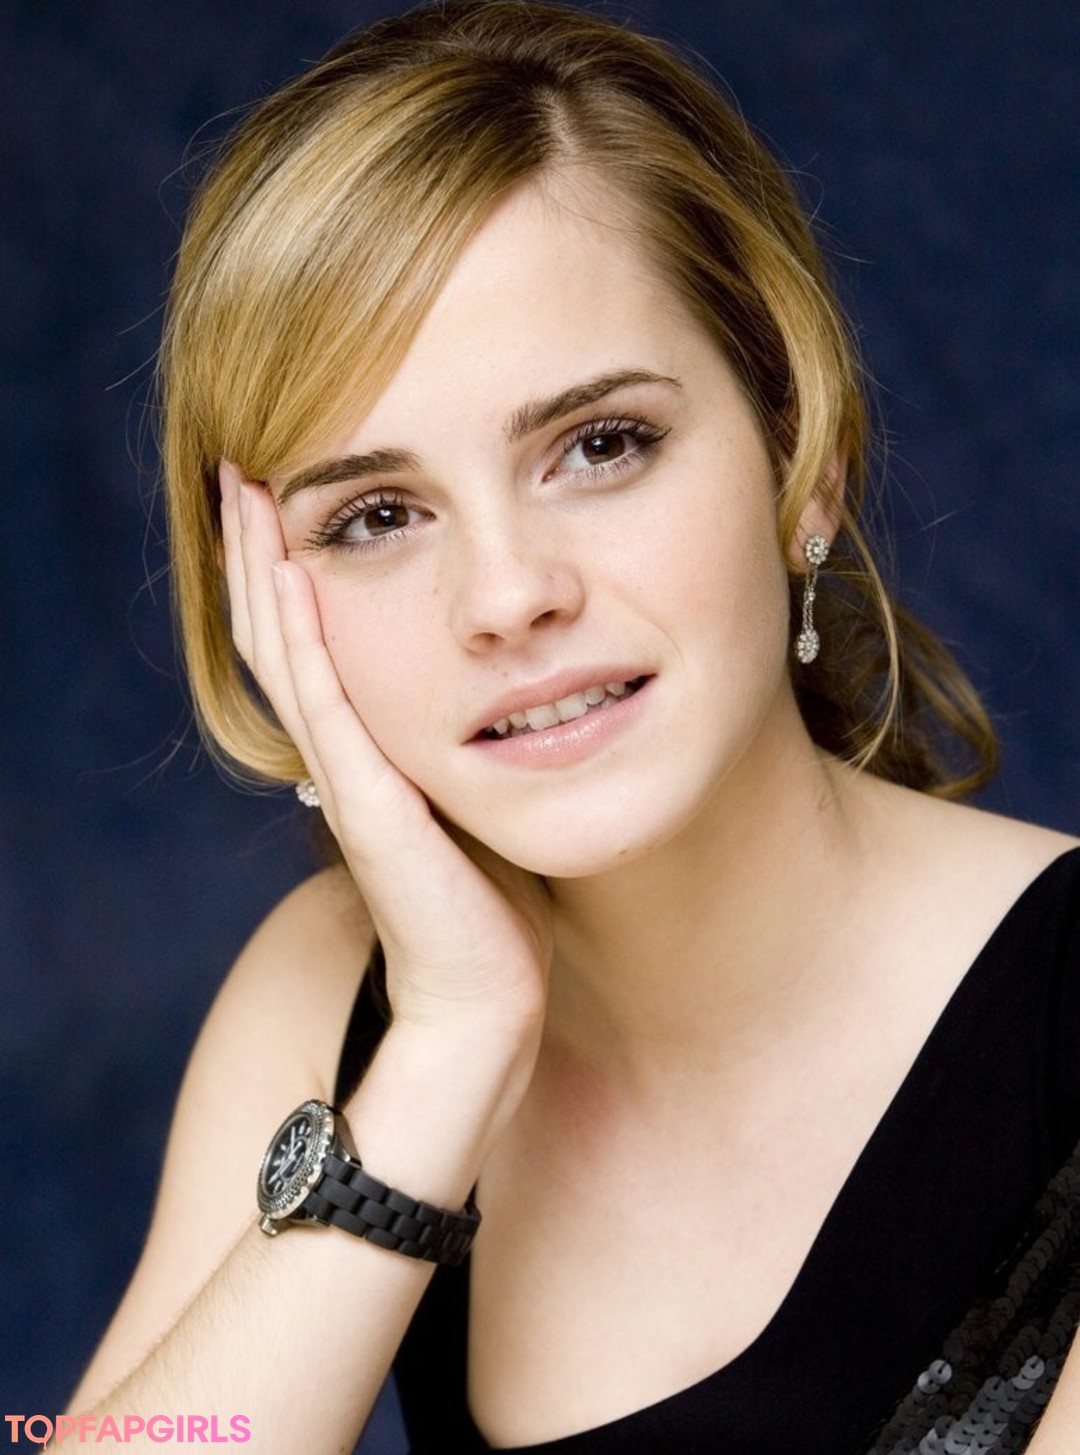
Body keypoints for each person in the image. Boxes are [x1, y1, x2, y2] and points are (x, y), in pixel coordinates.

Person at [67, 2, 1080, 1451]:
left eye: (601, 445)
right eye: (376, 516)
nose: (507, 596)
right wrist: (451, 1046)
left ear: (803, 457)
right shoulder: (330, 995)